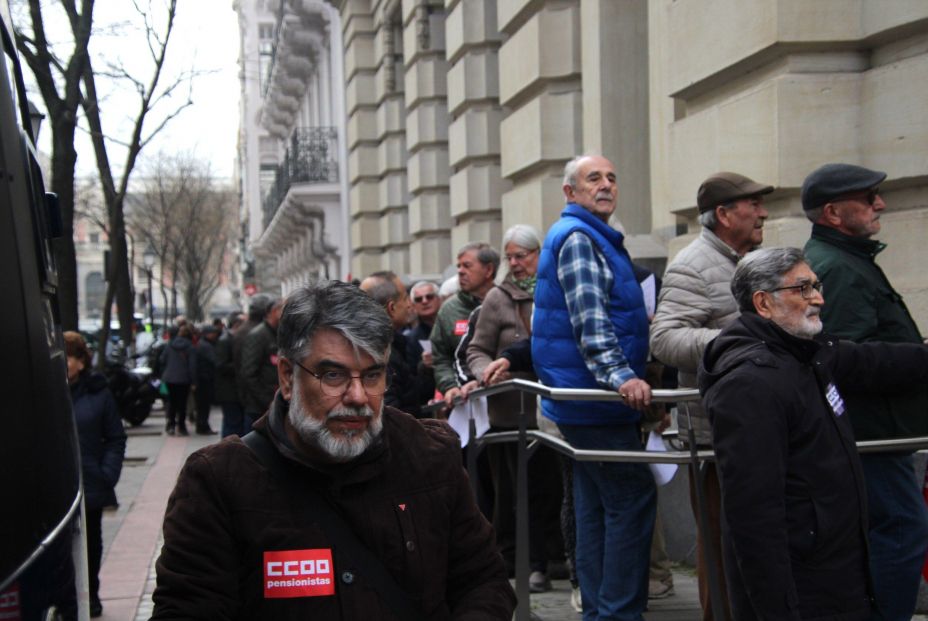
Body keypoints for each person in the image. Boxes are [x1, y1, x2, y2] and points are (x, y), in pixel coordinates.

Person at [150, 281, 517, 619]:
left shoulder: (428, 454)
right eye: (333, 375)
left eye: (372, 375)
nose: (358, 397)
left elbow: (483, 580)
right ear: (287, 377)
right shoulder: (219, 482)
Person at [698, 246, 928, 621]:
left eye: (816, 286)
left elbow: (875, 361)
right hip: (802, 591)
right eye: (802, 289)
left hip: (836, 576)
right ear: (763, 303)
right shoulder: (750, 385)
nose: (818, 298)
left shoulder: (806, 352)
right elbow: (753, 517)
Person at [801, 163, 928, 621]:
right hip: (870, 435)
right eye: (868, 197)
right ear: (833, 213)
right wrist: (919, 358)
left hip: (877, 432)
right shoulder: (837, 267)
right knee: (900, 529)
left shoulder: (847, 259)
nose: (881, 204)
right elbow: (842, 357)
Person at [531, 154, 653, 620]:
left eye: (612, 177)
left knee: (597, 506)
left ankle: (600, 612)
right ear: (570, 192)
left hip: (587, 400)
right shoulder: (581, 238)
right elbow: (591, 323)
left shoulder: (589, 235)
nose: (606, 185)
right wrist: (622, 376)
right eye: (593, 178)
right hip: (596, 400)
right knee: (630, 499)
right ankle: (617, 614)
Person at [649, 170, 773, 620]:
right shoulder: (692, 264)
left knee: (753, 547)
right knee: (721, 549)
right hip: (717, 435)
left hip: (761, 426)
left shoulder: (754, 261)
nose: (763, 213)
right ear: (723, 214)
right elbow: (664, 340)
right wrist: (738, 341)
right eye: (753, 204)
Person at [465, 224, 562, 593]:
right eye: (510, 257)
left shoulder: (554, 287)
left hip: (552, 406)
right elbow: (477, 349)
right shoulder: (497, 298)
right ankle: (533, 563)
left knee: (554, 487)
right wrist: (486, 373)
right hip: (511, 411)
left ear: (539, 254)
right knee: (521, 491)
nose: (516, 263)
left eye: (522, 255)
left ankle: (557, 555)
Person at [64, 331, 126, 618]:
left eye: (69, 357)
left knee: (91, 543)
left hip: (91, 482)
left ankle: (91, 594)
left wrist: (107, 474)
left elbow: (115, 437)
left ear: (81, 361)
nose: (64, 364)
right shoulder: (47, 392)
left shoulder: (98, 392)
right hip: (57, 485)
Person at [429, 242, 499, 411]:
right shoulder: (449, 309)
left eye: (467, 266)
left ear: (489, 270)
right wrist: (450, 386)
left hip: (503, 397)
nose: (460, 271)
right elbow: (441, 357)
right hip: (463, 403)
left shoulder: (506, 303)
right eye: (459, 266)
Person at [360, 271, 435, 418]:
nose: (409, 305)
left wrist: (425, 370)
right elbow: (391, 417)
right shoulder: (382, 355)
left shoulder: (391, 346)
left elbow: (411, 394)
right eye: (406, 298)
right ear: (392, 308)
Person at [240, 296, 284, 430]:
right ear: (275, 311)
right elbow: (249, 373)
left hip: (273, 403)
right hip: (259, 408)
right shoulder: (258, 335)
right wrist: (267, 400)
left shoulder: (277, 333)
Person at [159, 324, 197, 436]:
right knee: (182, 404)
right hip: (183, 379)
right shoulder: (190, 347)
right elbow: (192, 366)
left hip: (169, 378)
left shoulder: (169, 345)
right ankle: (181, 426)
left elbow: (162, 359)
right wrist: (194, 381)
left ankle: (171, 425)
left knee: (171, 402)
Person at [216, 312, 247, 437]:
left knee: (234, 423)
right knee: (232, 423)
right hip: (229, 391)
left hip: (234, 390)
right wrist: (241, 365)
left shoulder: (232, 339)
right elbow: (221, 365)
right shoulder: (225, 340)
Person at [405, 280, 440, 377]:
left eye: (429, 297)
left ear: (439, 299)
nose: (424, 301)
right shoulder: (411, 339)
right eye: (418, 299)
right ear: (413, 306)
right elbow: (412, 375)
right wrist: (424, 365)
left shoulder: (452, 326)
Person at [193, 324, 219, 435]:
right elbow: (214, 360)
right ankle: (203, 426)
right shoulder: (205, 346)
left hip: (203, 378)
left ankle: (202, 425)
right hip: (204, 379)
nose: (215, 335)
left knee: (202, 406)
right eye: (213, 333)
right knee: (204, 405)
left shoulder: (202, 344)